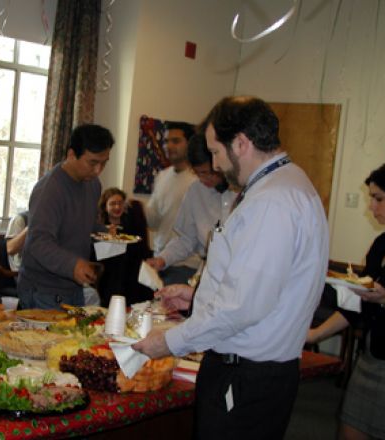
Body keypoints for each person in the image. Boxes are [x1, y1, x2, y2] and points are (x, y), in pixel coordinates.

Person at [134, 96, 329, 439]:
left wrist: (170, 342)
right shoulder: (288, 183)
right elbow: (264, 287)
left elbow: (241, 306)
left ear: (241, 143)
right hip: (258, 371)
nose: (216, 163)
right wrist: (198, 296)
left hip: (246, 374)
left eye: (217, 152)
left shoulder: (272, 202)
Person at [308, 160, 385, 440]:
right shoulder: (382, 243)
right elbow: (357, 306)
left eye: (379, 199)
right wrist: (313, 334)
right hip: (370, 359)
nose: (371, 207)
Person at [17, 124, 114, 309]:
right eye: (93, 162)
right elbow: (38, 242)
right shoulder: (49, 189)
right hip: (42, 290)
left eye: (104, 163)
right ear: (71, 155)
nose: (98, 170)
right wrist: (73, 265)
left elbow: (84, 225)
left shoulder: (93, 185)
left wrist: (106, 232)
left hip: (73, 287)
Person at [146, 133, 236, 282]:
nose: (204, 179)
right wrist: (163, 259)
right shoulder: (196, 190)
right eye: (199, 173)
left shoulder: (240, 191)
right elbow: (186, 239)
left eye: (209, 173)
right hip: (206, 272)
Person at [145, 121, 198, 285]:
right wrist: (135, 208)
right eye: (166, 141)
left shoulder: (199, 180)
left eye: (176, 141)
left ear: (190, 144)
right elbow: (153, 222)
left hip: (185, 265)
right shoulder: (162, 176)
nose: (169, 146)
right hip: (159, 260)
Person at [96, 187, 153, 306]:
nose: (117, 207)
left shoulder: (132, 225)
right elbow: (96, 255)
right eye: (112, 204)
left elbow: (141, 248)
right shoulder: (99, 228)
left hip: (130, 279)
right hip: (108, 279)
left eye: (120, 203)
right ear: (105, 207)